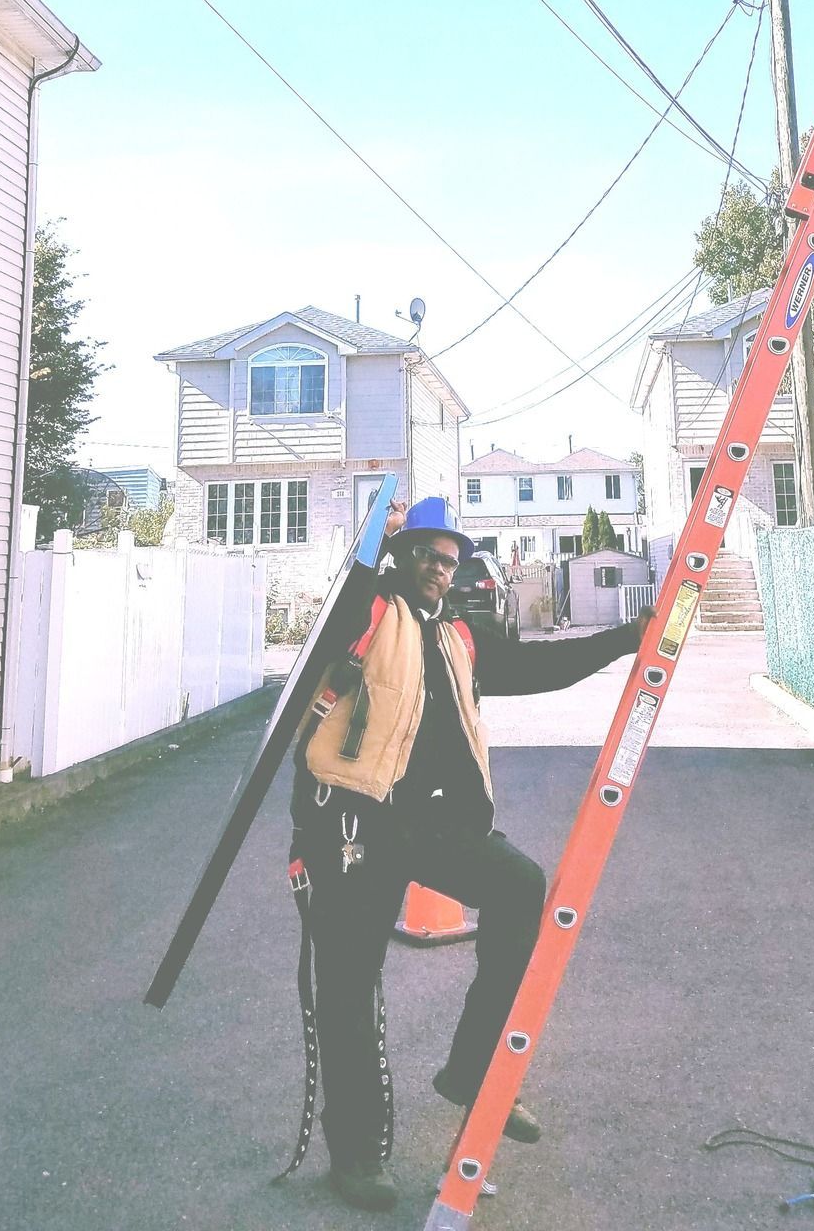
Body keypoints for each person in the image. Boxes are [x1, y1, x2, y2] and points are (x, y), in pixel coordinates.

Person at [286, 493, 650, 1213]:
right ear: (403, 556)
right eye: (428, 552)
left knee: (519, 884)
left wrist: (626, 639)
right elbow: (340, 611)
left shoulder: (458, 636)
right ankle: (356, 1156)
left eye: (451, 558)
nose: (440, 567)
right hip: (353, 824)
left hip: (435, 826)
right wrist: (372, 539)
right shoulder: (369, 615)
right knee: (350, 987)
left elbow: (536, 667)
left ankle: (475, 1069)